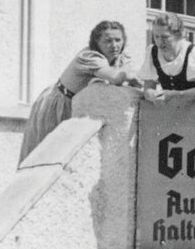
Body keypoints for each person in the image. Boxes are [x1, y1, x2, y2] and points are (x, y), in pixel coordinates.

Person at [20, 20, 140, 162]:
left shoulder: (120, 58)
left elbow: (132, 76)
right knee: (44, 156)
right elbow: (116, 78)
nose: (114, 45)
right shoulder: (89, 56)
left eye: (118, 40)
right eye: (107, 41)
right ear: (96, 42)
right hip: (57, 105)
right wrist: (131, 74)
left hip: (77, 107)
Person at [138, 12, 195, 105]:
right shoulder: (152, 52)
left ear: (178, 35)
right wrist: (154, 96)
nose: (160, 42)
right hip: (169, 111)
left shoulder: (192, 52)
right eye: (156, 36)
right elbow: (148, 89)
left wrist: (176, 95)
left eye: (165, 37)